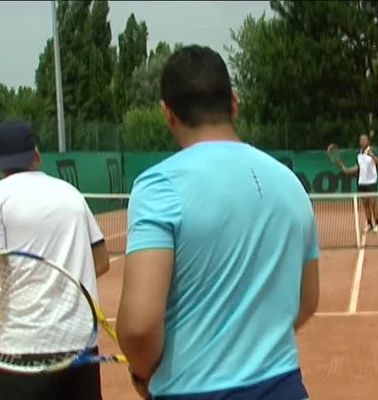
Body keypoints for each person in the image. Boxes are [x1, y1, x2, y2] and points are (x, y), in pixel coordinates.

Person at [117, 45, 320, 400]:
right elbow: (308, 300)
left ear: (168, 114)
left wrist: (141, 373)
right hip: (285, 387)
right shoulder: (290, 183)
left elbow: (139, 326)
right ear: (234, 103)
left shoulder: (158, 187)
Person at [0, 122, 110, 400]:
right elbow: (102, 262)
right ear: (36, 154)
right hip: (79, 346)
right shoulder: (71, 194)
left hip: (20, 351)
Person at [341, 134, 378, 233]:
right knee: (365, 204)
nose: (362, 141)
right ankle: (369, 224)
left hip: (372, 182)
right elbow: (358, 168)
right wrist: (346, 169)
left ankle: (377, 225)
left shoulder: (372, 151)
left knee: (373, 203)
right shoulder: (359, 154)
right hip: (361, 182)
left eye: (364, 139)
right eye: (361, 140)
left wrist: (372, 156)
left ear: (368, 141)